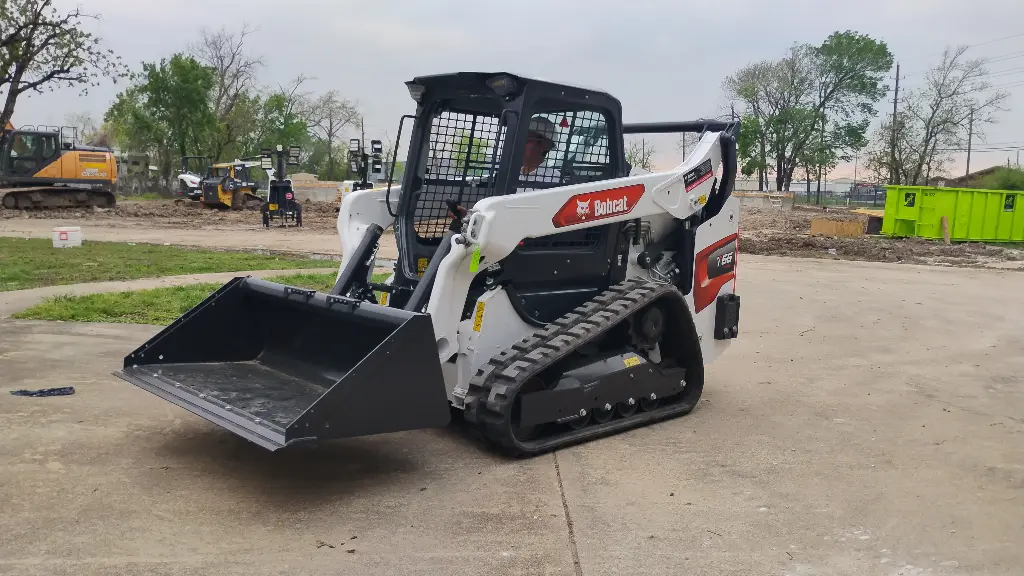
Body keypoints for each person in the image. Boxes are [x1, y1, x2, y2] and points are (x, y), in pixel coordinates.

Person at [518, 116, 561, 190]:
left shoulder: (554, 179)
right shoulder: (512, 174)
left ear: (545, 145)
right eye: (520, 138)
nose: (520, 143)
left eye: (527, 140)